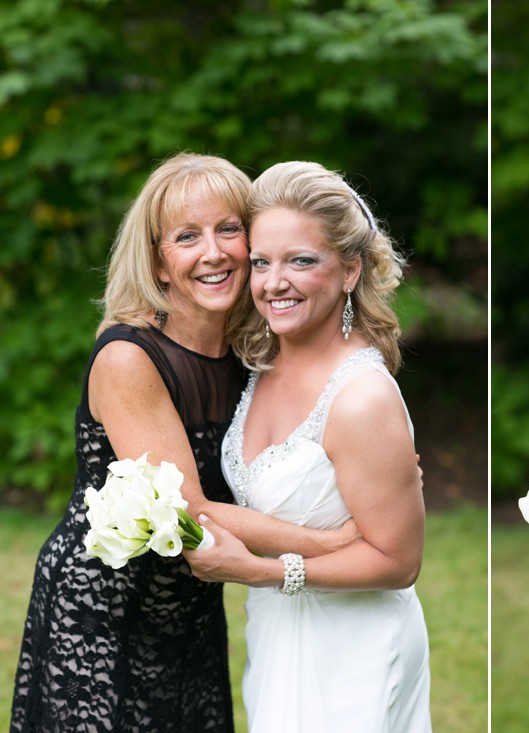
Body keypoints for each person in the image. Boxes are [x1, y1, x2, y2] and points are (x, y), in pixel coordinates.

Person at [11, 153, 356, 732]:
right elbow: (190, 509)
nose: (214, 252)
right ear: (159, 262)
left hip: (192, 609)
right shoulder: (129, 358)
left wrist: (374, 467)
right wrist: (340, 541)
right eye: (186, 236)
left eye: (228, 229)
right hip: (102, 613)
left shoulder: (256, 356)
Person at [183, 161, 431, 732]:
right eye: (262, 262)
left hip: (354, 650)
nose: (274, 283)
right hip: (277, 635)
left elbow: (399, 562)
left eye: (301, 261)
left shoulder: (361, 397)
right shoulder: (261, 361)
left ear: (349, 270)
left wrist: (264, 572)